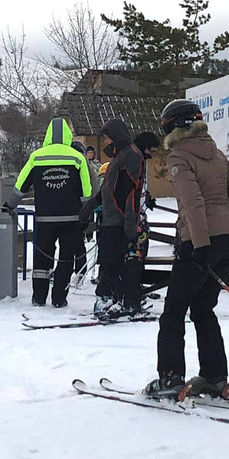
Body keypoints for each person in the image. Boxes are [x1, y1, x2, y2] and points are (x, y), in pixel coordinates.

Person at [145, 99, 229, 400]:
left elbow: (193, 203)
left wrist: (199, 246)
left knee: (174, 311)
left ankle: (170, 377)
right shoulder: (217, 155)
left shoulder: (179, 157)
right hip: (228, 237)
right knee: (204, 308)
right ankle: (214, 376)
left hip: (200, 240)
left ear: (171, 127)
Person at [7, 118, 91, 307]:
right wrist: (86, 215)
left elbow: (21, 185)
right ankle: (59, 298)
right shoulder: (77, 158)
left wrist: (9, 205)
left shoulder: (36, 157)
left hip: (44, 219)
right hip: (71, 219)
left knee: (42, 257)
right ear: (68, 135)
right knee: (66, 258)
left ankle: (39, 297)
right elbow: (87, 191)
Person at [79, 118, 144, 319]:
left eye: (107, 137)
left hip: (121, 220)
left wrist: (130, 223)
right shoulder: (117, 158)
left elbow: (130, 191)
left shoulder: (131, 155)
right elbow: (108, 189)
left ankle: (126, 301)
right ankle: (114, 297)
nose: (105, 142)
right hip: (109, 218)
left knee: (117, 262)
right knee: (107, 262)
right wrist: (90, 206)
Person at [134, 131, 161, 263]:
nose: (152, 154)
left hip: (141, 215)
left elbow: (141, 186)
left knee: (142, 251)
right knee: (135, 255)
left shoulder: (142, 161)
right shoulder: (133, 161)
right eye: (151, 149)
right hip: (131, 218)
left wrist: (147, 197)